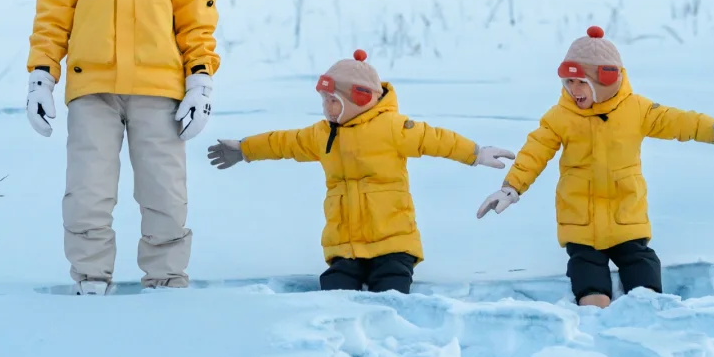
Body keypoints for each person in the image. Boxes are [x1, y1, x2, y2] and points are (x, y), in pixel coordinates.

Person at [25, 0, 219, 294]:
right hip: (94, 92)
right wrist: (41, 76)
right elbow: (54, 15)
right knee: (88, 193)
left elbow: (196, 15)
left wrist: (200, 79)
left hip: (160, 91)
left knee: (165, 196)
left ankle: (167, 279)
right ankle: (91, 279)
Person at [476, 25, 714, 306]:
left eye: (581, 82)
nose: (574, 90)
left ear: (604, 80)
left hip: (627, 219)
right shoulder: (559, 116)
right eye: (569, 82)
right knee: (589, 281)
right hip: (581, 223)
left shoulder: (636, 109)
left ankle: (646, 313)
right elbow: (534, 152)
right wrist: (511, 188)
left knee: (643, 274)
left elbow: (679, 121)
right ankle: (594, 317)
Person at [208, 49, 513, 293]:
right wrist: (245, 149)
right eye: (324, 102)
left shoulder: (392, 128)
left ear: (360, 99)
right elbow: (284, 142)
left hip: (393, 242)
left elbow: (436, 140)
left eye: (333, 101)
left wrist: (475, 153)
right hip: (345, 244)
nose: (327, 109)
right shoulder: (322, 134)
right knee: (336, 288)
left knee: (391, 289)